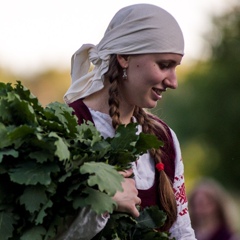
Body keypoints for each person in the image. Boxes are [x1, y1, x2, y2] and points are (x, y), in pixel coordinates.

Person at [58, 3, 196, 240]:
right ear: (123, 57)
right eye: (164, 65)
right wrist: (102, 205)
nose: (173, 81)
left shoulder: (164, 138)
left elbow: (182, 233)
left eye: (175, 67)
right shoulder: (65, 129)